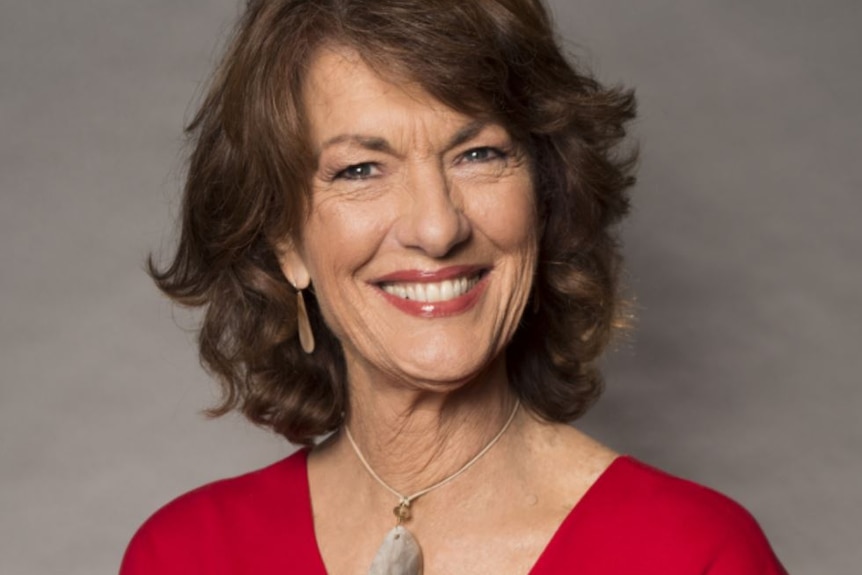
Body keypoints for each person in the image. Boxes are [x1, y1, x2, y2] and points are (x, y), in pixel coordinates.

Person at [121, 0, 787, 573]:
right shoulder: (184, 555)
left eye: (479, 154)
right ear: (286, 242)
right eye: (360, 169)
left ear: (543, 197)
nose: (437, 227)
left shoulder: (694, 554)